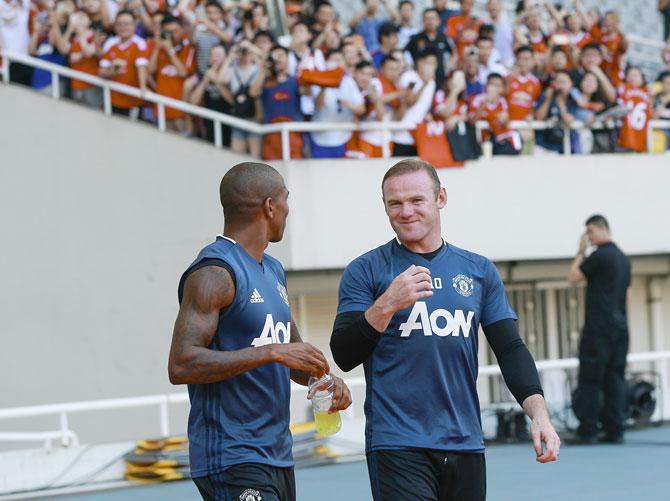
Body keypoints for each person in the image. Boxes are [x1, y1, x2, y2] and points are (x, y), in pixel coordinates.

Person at [330, 159, 559, 500]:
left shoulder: (478, 270)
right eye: (395, 203)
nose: (405, 211)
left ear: (440, 198)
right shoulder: (366, 270)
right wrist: (387, 303)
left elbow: (510, 349)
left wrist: (539, 415)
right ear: (385, 207)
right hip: (397, 443)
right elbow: (344, 354)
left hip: (465, 441)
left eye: (416, 200)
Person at [168, 162, 352, 500]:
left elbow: (295, 358)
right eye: (286, 200)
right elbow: (181, 364)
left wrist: (323, 381)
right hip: (232, 455)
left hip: (277, 454)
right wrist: (271, 352)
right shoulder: (214, 272)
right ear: (270, 206)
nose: (288, 209)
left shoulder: (273, 270)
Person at [568, 214, 630, 444]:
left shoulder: (600, 256)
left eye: (590, 232)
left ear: (603, 229)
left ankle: (588, 430)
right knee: (615, 378)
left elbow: (573, 276)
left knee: (590, 379)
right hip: (620, 328)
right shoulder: (623, 259)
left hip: (599, 328)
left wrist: (581, 251)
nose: (589, 237)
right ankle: (616, 429)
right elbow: (627, 295)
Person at [148, 14, 196, 133]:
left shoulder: (188, 47)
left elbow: (183, 72)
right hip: (160, 109)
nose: (173, 35)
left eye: (176, 31)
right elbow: (150, 71)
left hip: (180, 111)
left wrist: (170, 50)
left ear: (182, 30)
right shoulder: (158, 46)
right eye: (169, 31)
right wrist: (158, 48)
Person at [99, 10, 149, 118]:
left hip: (133, 102)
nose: (123, 27)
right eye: (119, 24)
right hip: (112, 99)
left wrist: (143, 88)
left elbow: (142, 67)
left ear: (134, 25)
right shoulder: (110, 43)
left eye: (126, 24)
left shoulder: (140, 43)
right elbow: (101, 71)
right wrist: (113, 71)